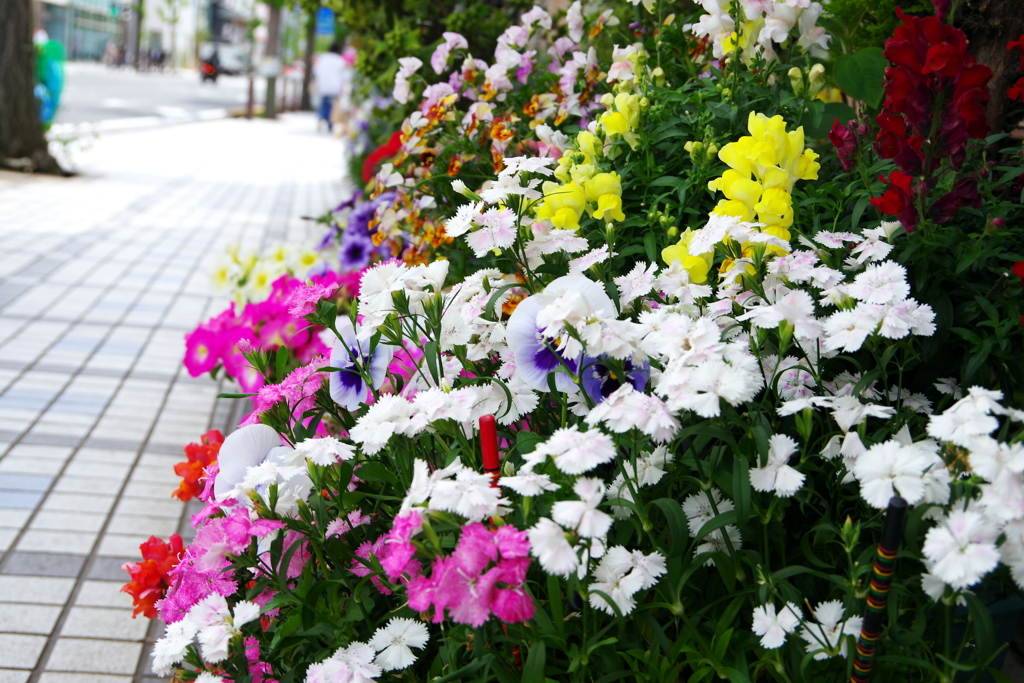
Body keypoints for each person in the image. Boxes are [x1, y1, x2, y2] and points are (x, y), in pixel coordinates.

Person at [312, 42, 346, 132]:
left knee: (324, 103)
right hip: (335, 86)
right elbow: (343, 75)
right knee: (332, 106)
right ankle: (329, 123)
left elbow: (316, 71)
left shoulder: (323, 58)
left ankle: (321, 117)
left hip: (323, 85)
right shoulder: (339, 60)